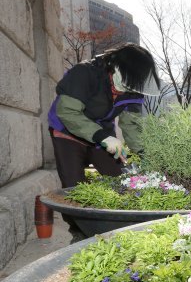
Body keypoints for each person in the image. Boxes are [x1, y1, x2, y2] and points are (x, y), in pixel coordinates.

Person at [48, 42, 160, 189]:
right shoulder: (85, 73)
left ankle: (117, 211)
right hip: (67, 132)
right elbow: (67, 111)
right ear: (117, 66)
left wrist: (145, 153)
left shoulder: (134, 90)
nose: (129, 88)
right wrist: (103, 137)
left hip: (103, 134)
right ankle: (75, 212)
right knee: (74, 186)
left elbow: (131, 125)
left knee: (120, 180)